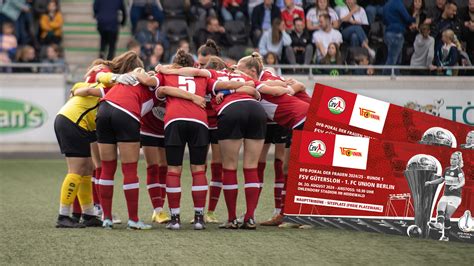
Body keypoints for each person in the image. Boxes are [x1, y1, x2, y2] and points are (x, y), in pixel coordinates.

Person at [135, 50, 244, 230]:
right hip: (199, 122)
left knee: (173, 170)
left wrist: (151, 70)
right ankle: (199, 218)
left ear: (175, 64)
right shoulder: (201, 76)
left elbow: (149, 83)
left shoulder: (164, 74)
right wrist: (244, 81)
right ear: (194, 64)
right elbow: (226, 84)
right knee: (198, 170)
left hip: (174, 121)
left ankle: (175, 219)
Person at [95, 51, 158, 230]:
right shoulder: (152, 81)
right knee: (129, 168)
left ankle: (106, 218)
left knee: (107, 168)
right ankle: (133, 220)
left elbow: (99, 75)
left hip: (104, 108)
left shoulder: (125, 77)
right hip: (126, 112)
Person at [54, 82, 110, 228]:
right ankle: (63, 216)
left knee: (87, 168)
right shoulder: (107, 86)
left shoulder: (92, 82)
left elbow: (74, 91)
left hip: (75, 122)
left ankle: (88, 214)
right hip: (72, 123)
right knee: (76, 170)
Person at [426, 151, 465, 241]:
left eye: (454, 159)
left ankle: (445, 236)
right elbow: (441, 180)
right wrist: (430, 182)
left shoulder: (458, 170)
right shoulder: (447, 169)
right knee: (440, 208)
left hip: (455, 197)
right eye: (451, 158)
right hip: (446, 195)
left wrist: (456, 186)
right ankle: (439, 225)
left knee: (447, 215)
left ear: (458, 160)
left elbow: (462, 182)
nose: (452, 160)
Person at [382, 0, 416, 72]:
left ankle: (396, 77)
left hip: (388, 33)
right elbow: (407, 18)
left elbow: (384, 21)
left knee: (397, 59)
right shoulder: (398, 3)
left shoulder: (386, 4)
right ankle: (385, 77)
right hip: (396, 34)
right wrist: (414, 17)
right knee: (393, 60)